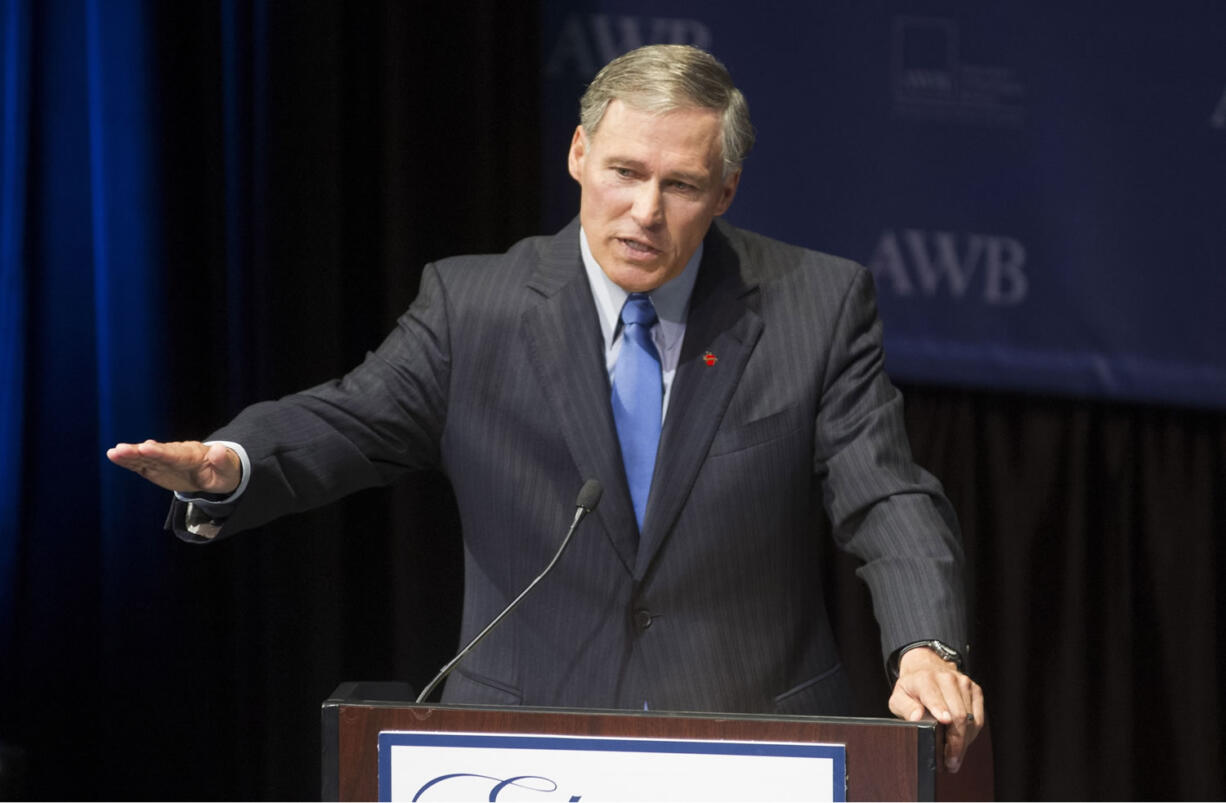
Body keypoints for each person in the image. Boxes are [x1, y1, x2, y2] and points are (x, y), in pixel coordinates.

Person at [109, 44, 984, 771]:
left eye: (681, 185)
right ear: (577, 155)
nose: (645, 211)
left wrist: (925, 646)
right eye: (624, 172)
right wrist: (235, 463)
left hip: (753, 744)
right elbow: (350, 418)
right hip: (522, 750)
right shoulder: (472, 307)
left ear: (726, 190)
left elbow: (887, 494)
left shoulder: (815, 306)